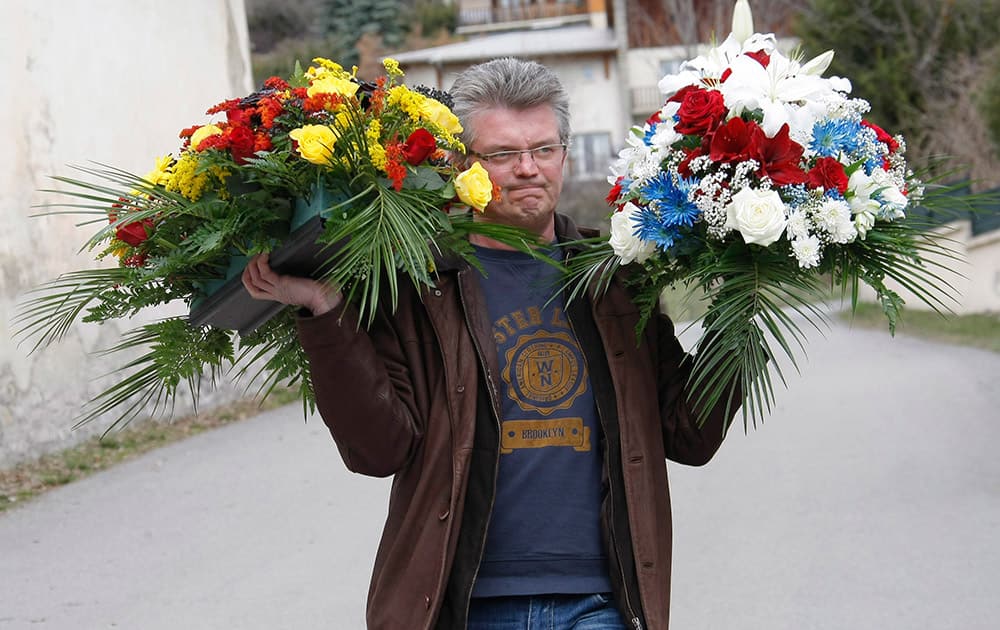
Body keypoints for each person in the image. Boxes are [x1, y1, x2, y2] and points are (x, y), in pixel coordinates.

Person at [242, 57, 739, 630]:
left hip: (602, 600)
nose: (528, 169)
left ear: (565, 154)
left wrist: (745, 303)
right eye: (502, 154)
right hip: (465, 603)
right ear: (460, 163)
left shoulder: (615, 278)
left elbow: (688, 434)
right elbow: (378, 452)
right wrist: (326, 312)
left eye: (543, 149)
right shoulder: (420, 285)